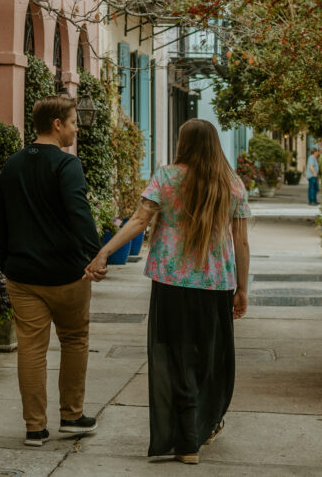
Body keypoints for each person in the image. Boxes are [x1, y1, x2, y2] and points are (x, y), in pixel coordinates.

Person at [84, 118, 251, 465]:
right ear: (214, 143)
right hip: (215, 283)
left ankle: (187, 441)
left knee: (176, 359)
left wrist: (103, 252)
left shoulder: (166, 177)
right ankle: (200, 429)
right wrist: (243, 289)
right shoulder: (231, 183)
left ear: (184, 143)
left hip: (172, 282)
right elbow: (242, 242)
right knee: (210, 359)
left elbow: (139, 221)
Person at [0, 95, 104, 447]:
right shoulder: (67, 165)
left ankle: (35, 428)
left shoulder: (11, 164)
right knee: (74, 340)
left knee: (31, 349)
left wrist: (6, 261)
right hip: (67, 273)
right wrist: (95, 254)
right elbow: (79, 213)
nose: (75, 129)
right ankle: (71, 416)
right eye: (72, 122)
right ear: (57, 124)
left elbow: (1, 220)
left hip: (22, 276)